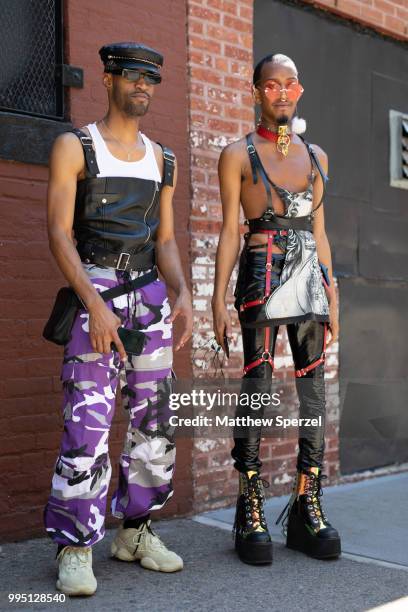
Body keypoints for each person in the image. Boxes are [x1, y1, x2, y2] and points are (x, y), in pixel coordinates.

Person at [44, 42, 192, 596]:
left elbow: (168, 240)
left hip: (150, 298)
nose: (143, 87)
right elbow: (58, 233)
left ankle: (135, 531)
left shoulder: (164, 159)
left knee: (154, 422)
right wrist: (94, 304)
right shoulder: (75, 146)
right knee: (87, 423)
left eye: (151, 79)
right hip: (96, 294)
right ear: (107, 79)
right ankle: (75, 547)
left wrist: (182, 293)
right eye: (132, 76)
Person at [212, 53, 341, 565]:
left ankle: (308, 506)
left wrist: (334, 295)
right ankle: (250, 507)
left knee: (313, 389)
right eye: (271, 86)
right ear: (257, 92)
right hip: (261, 266)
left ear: (300, 91)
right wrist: (217, 300)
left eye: (289, 85)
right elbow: (227, 231)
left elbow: (321, 232)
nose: (281, 93)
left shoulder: (317, 157)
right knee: (259, 383)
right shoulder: (237, 154)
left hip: (308, 268)